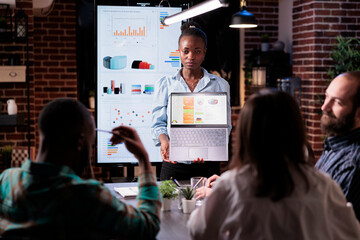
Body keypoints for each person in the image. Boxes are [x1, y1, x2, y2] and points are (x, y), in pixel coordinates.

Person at [187, 89, 360, 240]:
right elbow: (351, 234)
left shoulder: (231, 184)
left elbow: (198, 231)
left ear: (246, 134)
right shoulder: (324, 184)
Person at [0, 98, 161, 239]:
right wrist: (143, 159)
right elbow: (148, 225)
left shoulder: (7, 179)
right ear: (79, 142)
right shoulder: (87, 195)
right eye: (90, 144)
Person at [151, 21, 231, 180]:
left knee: (208, 205)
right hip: (174, 163)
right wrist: (164, 140)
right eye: (186, 51)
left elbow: (225, 126)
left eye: (197, 51)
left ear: (204, 53)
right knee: (169, 204)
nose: (191, 57)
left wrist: (210, 148)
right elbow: (158, 124)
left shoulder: (220, 84)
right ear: (179, 52)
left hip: (207, 164)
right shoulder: (165, 84)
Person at [315, 71, 360, 220]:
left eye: (337, 102)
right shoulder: (335, 145)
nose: (324, 107)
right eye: (327, 97)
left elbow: (329, 225)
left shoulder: (351, 163)